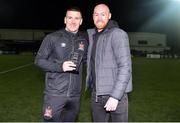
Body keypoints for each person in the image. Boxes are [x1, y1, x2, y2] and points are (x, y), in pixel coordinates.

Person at [35, 7, 88, 122]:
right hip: (55, 94)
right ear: (65, 20)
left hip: (74, 96)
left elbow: (86, 61)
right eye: (70, 18)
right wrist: (60, 67)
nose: (73, 21)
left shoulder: (83, 41)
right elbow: (39, 61)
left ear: (81, 21)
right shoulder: (52, 38)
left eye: (76, 18)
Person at [85, 3, 132, 122]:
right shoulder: (93, 36)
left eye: (103, 14)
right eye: (96, 14)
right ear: (92, 17)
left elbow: (125, 67)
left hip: (115, 96)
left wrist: (115, 96)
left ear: (109, 16)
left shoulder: (117, 34)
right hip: (96, 96)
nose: (99, 17)